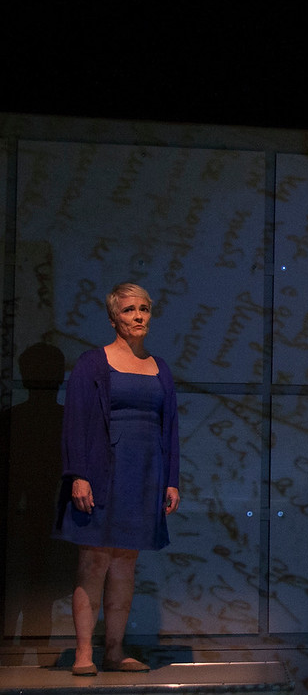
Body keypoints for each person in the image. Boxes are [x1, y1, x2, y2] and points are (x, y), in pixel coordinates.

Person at [55, 283, 181, 675]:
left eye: (144, 309)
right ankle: (83, 654)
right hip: (102, 471)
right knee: (93, 562)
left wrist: (170, 480)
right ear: (114, 318)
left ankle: (114, 650)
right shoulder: (94, 363)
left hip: (144, 476)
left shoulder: (160, 367)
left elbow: (170, 426)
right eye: (129, 310)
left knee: (125, 566)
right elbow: (74, 420)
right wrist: (78, 474)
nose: (139, 316)